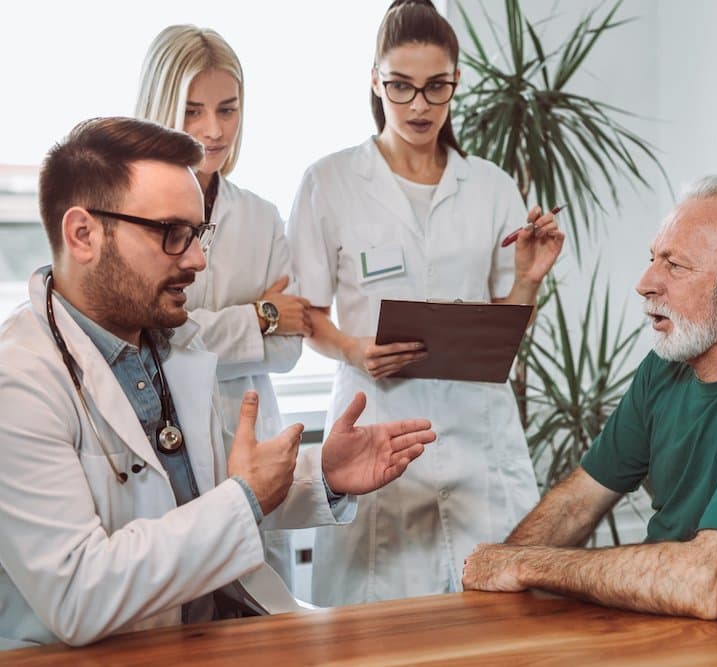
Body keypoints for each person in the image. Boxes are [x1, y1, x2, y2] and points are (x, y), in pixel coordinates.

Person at [0, 117, 436, 649]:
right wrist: (246, 496)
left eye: (198, 233)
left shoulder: (171, 346)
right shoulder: (19, 382)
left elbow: (219, 489)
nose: (197, 260)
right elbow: (76, 593)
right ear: (83, 234)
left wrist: (322, 475)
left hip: (219, 633)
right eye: (172, 235)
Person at [461, 176, 717, 634]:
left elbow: (708, 583)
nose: (645, 283)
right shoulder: (666, 366)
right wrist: (495, 589)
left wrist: (526, 565)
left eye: (675, 266)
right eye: (652, 259)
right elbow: (579, 502)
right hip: (657, 627)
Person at [287, 0, 564, 606]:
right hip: (380, 426)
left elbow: (504, 328)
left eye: (436, 88)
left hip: (479, 439)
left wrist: (528, 280)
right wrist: (354, 350)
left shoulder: (490, 186)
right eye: (401, 87)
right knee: (379, 630)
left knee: (498, 626)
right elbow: (303, 313)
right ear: (374, 81)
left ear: (455, 82)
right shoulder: (329, 182)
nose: (418, 106)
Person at [134, 25, 308, 587]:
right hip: (159, 451)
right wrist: (258, 315)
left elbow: (287, 350)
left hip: (246, 444)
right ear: (161, 108)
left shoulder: (260, 216)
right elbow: (147, 334)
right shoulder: (126, 213)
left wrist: (258, 325)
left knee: (262, 613)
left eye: (228, 110)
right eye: (192, 110)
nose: (214, 130)